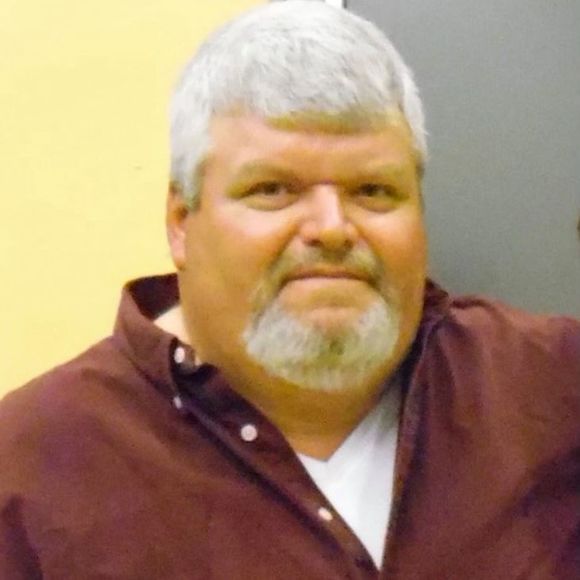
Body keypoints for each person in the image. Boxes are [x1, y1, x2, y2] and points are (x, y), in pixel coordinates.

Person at [1, 2, 579, 578]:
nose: (332, 228)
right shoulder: (31, 471)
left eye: (373, 190)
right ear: (181, 222)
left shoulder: (549, 388)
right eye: (274, 189)